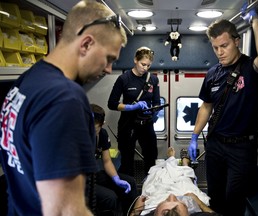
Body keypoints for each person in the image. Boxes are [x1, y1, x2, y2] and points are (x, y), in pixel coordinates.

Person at [0, 1, 127, 215]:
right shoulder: (65, 99)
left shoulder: (25, 83)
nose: (108, 69)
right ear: (86, 44)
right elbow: (65, 210)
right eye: (108, 58)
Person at [188, 3, 258, 216]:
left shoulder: (251, 68)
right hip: (216, 144)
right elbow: (206, 106)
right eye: (215, 47)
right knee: (215, 197)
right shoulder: (212, 73)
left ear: (236, 42)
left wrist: (254, 20)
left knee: (234, 199)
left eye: (225, 46)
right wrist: (194, 135)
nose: (220, 52)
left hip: (241, 148)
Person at [108, 46, 161, 176]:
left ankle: (149, 189)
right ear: (135, 60)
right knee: (127, 161)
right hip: (128, 124)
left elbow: (156, 102)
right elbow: (112, 104)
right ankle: (128, 190)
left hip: (146, 124)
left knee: (151, 158)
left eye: (148, 66)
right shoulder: (124, 79)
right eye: (143, 64)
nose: (145, 68)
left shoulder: (152, 79)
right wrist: (130, 107)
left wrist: (154, 112)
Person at [128, 147, 220, 216]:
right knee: (185, 180)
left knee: (159, 174)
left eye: (165, 212)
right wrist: (199, 203)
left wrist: (135, 211)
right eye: (181, 205)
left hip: (157, 195)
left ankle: (171, 159)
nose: (171, 196)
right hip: (183, 191)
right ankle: (185, 163)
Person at [90, 104, 138, 215]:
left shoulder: (101, 134)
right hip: (78, 181)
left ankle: (130, 213)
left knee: (130, 182)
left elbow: (107, 161)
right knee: (110, 198)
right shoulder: (75, 138)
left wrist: (116, 178)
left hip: (93, 175)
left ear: (102, 125)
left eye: (95, 130)